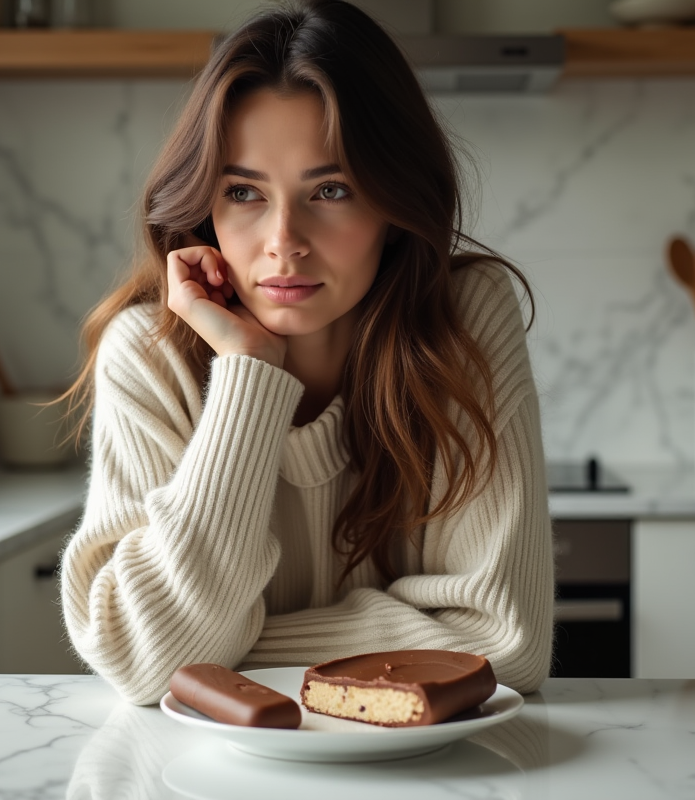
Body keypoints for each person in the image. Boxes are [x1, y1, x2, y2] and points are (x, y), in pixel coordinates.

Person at [58, 0, 554, 705]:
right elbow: (145, 662)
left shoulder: (465, 319)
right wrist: (249, 373)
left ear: (392, 204)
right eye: (244, 193)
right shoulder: (149, 355)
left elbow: (507, 646)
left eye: (330, 189)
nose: (284, 240)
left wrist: (231, 641)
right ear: (206, 209)